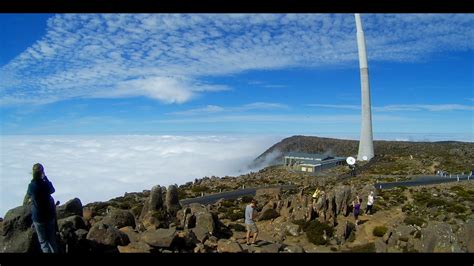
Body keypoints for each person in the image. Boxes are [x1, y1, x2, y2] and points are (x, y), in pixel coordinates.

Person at [27, 163, 59, 253]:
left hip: (38, 217)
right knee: (52, 240)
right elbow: (52, 190)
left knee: (43, 242)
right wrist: (45, 178)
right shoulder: (45, 184)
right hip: (49, 215)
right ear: (42, 172)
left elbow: (29, 194)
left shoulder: (32, 186)